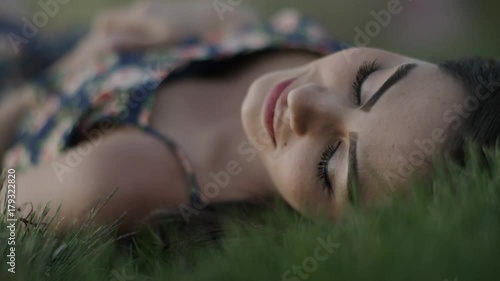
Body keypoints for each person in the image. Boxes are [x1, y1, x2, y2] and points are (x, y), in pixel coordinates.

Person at [0, 1, 498, 233]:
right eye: (368, 82)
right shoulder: (308, 47)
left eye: (330, 165)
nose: (303, 106)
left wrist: (43, 90)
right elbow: (218, 14)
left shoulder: (120, 176)